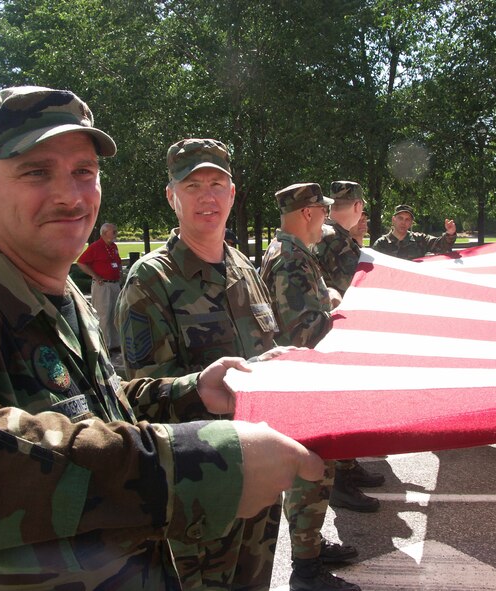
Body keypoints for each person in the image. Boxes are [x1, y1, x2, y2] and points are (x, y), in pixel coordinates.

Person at [0, 87, 324, 591]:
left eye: (84, 171)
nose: (69, 195)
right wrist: (180, 467)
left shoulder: (62, 298)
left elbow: (94, 410)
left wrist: (192, 392)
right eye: (36, 171)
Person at [118, 139, 352, 589]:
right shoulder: (152, 280)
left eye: (216, 184)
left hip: (258, 483)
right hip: (203, 490)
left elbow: (262, 353)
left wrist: (278, 362)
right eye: (192, 185)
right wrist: (197, 386)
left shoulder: (244, 269)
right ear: (172, 197)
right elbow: (140, 401)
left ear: (232, 193)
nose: (207, 196)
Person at [261, 182, 361, 591]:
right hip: (299, 386)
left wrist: (330, 299)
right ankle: (306, 569)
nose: (327, 217)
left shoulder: (295, 254)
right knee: (310, 476)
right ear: (307, 213)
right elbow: (301, 333)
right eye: (322, 210)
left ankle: (312, 548)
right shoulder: (289, 260)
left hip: (304, 382)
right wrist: (343, 316)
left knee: (317, 474)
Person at [313, 182, 384, 513]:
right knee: (339, 407)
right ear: (357, 206)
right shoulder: (331, 239)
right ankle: (339, 482)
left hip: (340, 332)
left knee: (347, 404)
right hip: (333, 335)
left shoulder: (334, 236)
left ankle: (347, 465)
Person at [76, 222, 121, 349]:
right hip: (103, 286)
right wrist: (95, 276)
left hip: (114, 284)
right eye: (114, 232)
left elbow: (116, 263)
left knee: (115, 314)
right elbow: (81, 262)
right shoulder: (96, 247)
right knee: (103, 315)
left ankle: (115, 344)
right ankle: (104, 345)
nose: (116, 234)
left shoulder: (113, 246)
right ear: (105, 233)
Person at [372, 204, 457, 259]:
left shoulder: (420, 240)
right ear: (393, 220)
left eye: (407, 219)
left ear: (411, 223)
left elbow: (442, 246)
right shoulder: (381, 244)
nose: (403, 222)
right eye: (400, 218)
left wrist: (450, 233)